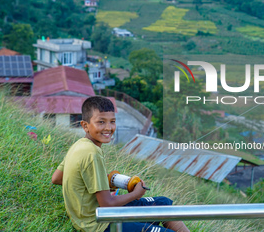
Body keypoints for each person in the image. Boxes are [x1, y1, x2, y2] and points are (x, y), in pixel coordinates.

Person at [51, 96, 189, 232]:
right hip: (99, 225)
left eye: (112, 121)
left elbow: (56, 178)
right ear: (85, 126)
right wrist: (136, 194)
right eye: (101, 122)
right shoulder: (92, 154)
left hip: (92, 214)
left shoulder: (78, 145)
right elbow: (107, 205)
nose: (108, 128)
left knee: (163, 204)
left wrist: (105, 183)